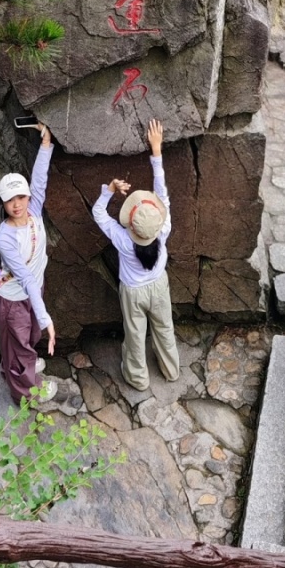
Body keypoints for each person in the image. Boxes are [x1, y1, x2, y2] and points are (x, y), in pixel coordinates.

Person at [93, 117, 179, 393]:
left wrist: (110, 189)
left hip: (133, 292)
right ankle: (171, 370)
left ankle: (138, 378)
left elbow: (98, 214)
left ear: (130, 224)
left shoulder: (122, 240)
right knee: (164, 328)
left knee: (135, 335)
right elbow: (163, 194)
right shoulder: (163, 230)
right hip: (159, 285)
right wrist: (157, 151)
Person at [0, 121, 57, 405]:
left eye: (21, 197)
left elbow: (39, 180)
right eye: (10, 200)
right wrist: (47, 320)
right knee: (19, 343)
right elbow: (26, 278)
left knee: (27, 336)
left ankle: (21, 364)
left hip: (33, 291)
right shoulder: (5, 237)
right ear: (3, 203)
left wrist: (46, 143)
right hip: (14, 298)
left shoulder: (34, 212)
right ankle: (27, 394)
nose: (17, 204)